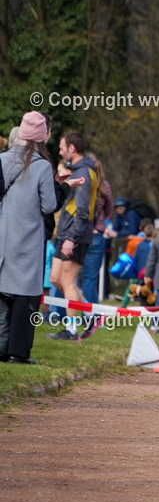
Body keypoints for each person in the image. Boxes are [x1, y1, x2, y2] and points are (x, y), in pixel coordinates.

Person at [0, 111, 59, 364]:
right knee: (26, 297)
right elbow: (48, 206)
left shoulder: (2, 160)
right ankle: (19, 352)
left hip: (3, 237)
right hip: (28, 238)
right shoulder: (42, 166)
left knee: (3, 296)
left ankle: (1, 347)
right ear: (41, 137)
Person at [49, 131, 100, 341]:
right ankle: (90, 313)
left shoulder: (85, 173)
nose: (60, 152)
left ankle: (71, 329)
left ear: (72, 148)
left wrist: (71, 238)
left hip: (75, 235)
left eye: (62, 148)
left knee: (68, 281)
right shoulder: (76, 170)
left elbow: (83, 211)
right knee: (55, 278)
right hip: (65, 233)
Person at [81, 152, 114, 305]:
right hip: (96, 235)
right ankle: (91, 314)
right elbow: (109, 210)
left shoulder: (82, 182)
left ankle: (63, 313)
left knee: (71, 277)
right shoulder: (104, 185)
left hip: (80, 233)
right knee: (90, 279)